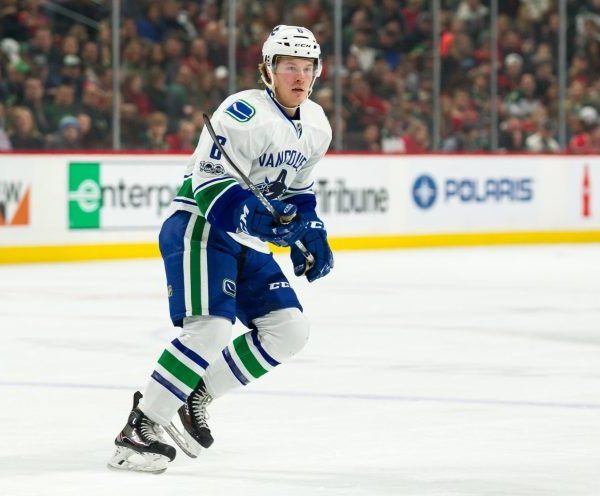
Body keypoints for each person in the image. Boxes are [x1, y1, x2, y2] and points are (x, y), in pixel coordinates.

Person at [108, 25, 334, 474]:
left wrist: (310, 231)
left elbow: (299, 192)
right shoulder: (243, 112)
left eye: (307, 67)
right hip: (200, 227)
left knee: (289, 330)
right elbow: (209, 183)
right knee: (210, 328)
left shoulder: (317, 124)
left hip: (246, 242)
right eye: (289, 66)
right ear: (268, 70)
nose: (299, 76)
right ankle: (141, 425)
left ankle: (196, 392)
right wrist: (249, 215)